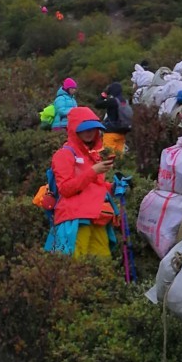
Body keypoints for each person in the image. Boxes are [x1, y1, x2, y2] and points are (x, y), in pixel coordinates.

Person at [45, 107, 118, 258]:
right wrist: (93, 171)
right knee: (74, 266)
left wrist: (114, 187)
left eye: (93, 128)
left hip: (97, 216)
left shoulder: (92, 155)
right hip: (75, 218)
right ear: (74, 130)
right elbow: (65, 188)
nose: (90, 132)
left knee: (102, 264)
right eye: (85, 129)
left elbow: (95, 186)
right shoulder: (64, 154)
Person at [98, 81, 132, 156]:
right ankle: (119, 167)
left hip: (111, 132)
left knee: (109, 156)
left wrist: (104, 94)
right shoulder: (125, 101)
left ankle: (112, 168)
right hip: (122, 132)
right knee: (119, 157)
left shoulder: (113, 101)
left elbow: (98, 104)